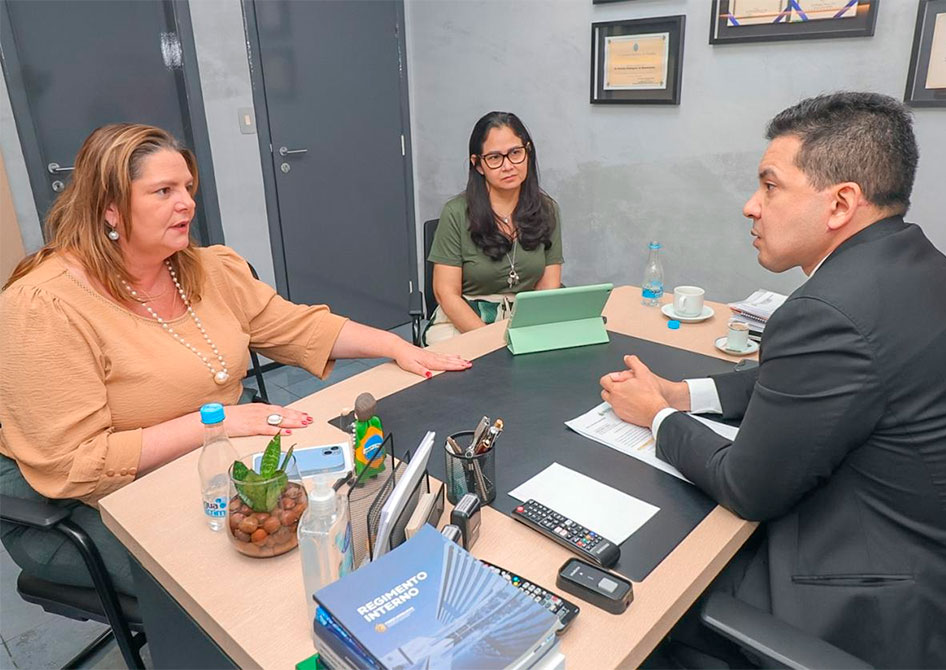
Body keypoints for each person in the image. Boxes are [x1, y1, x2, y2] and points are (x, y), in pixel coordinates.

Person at [600, 92, 946, 668]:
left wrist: (657, 416)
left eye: (770, 186)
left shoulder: (828, 311)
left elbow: (748, 488)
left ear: (841, 203)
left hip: (895, 610)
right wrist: (683, 393)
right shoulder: (918, 265)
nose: (751, 206)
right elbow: (804, 385)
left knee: (650, 594)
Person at [0, 123, 471, 595]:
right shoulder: (44, 306)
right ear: (109, 208)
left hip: (213, 463)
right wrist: (221, 421)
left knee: (342, 527)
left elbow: (298, 326)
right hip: (90, 507)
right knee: (261, 585)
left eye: (186, 188)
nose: (186, 202)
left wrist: (396, 346)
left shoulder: (205, 268)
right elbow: (74, 465)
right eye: (163, 191)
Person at [424, 111, 563, 344]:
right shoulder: (456, 212)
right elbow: (446, 294)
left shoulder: (547, 209)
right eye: (495, 158)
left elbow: (549, 285)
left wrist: (526, 334)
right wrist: (492, 341)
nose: (508, 166)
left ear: (528, 153)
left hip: (524, 318)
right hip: (465, 318)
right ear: (478, 164)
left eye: (516, 153)